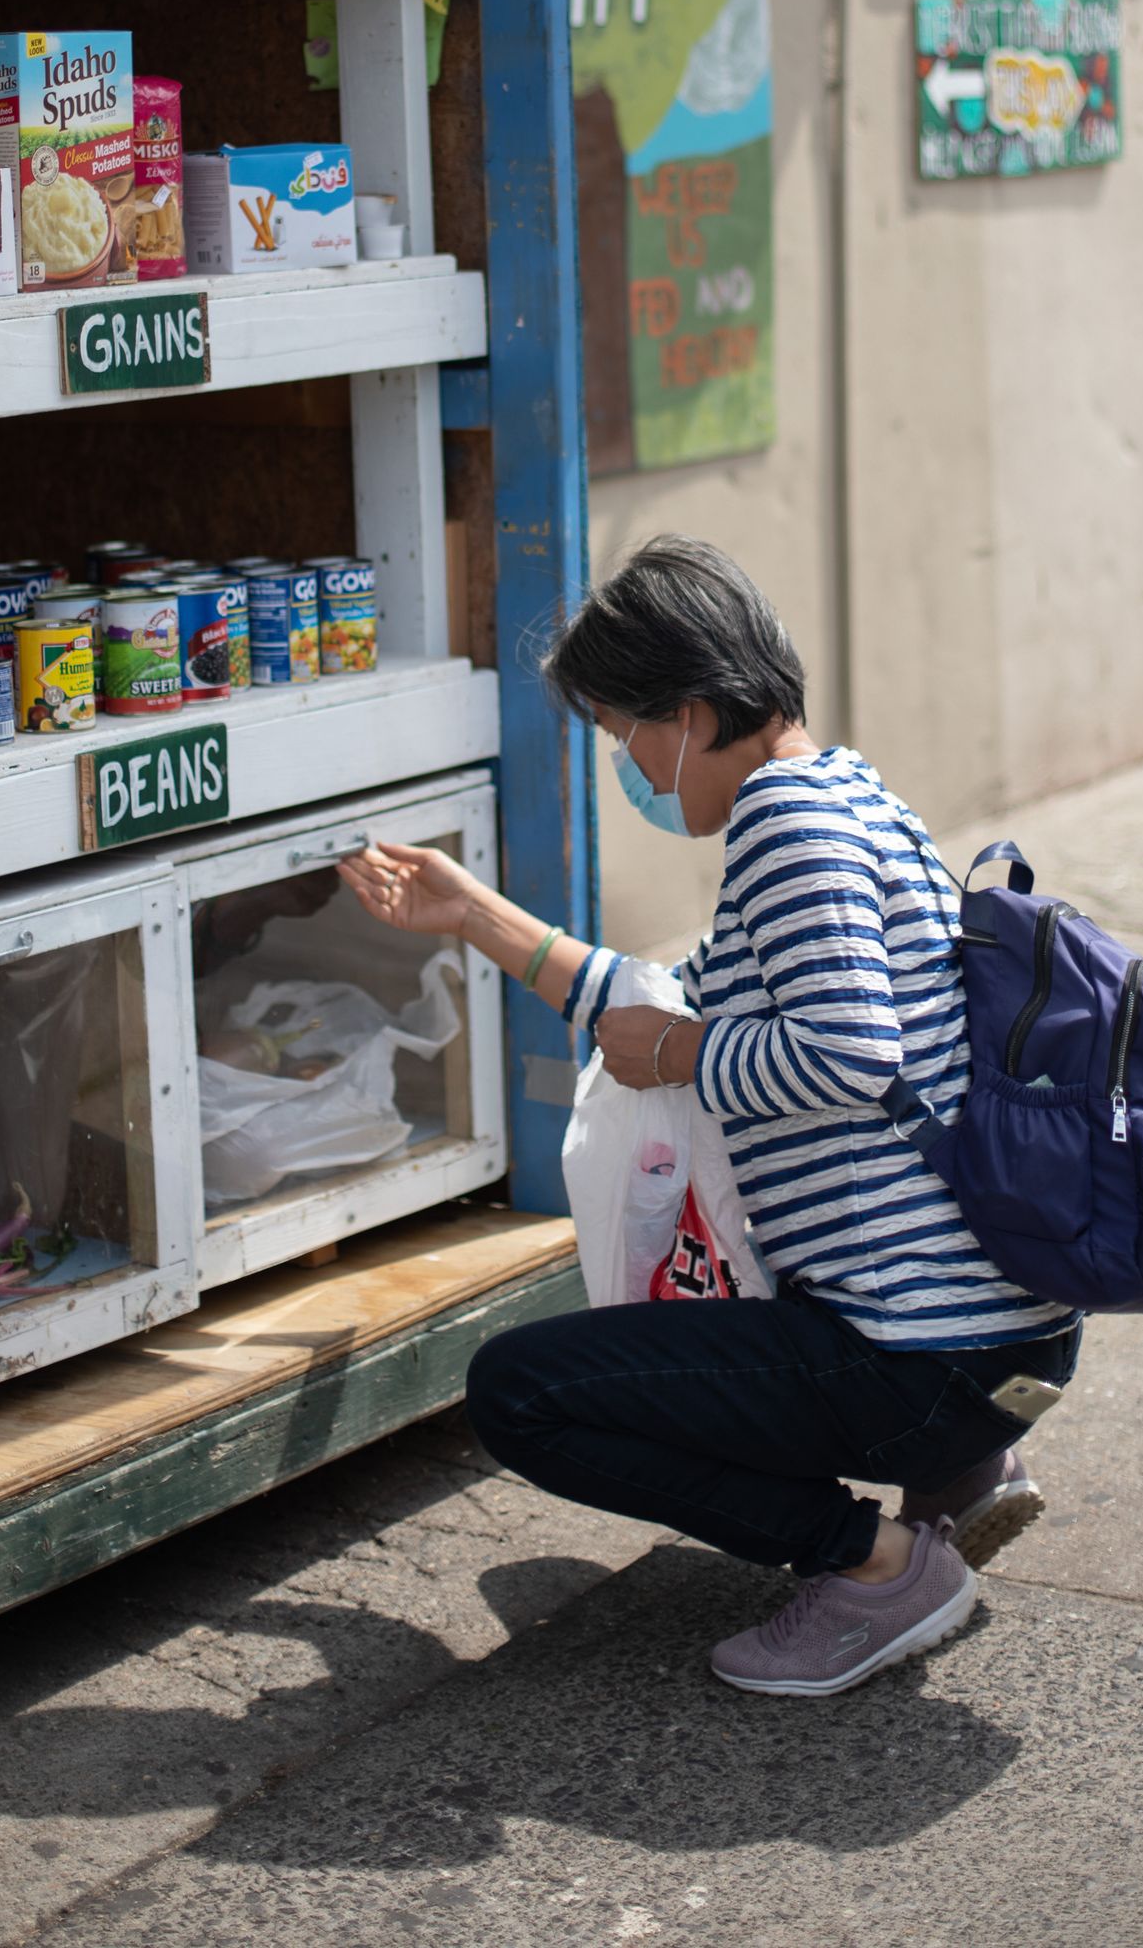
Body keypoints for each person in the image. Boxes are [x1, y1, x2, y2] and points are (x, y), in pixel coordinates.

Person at [335, 535, 1081, 1700]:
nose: (625, 766)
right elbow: (677, 1012)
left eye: (619, 734)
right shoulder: (847, 793)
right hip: (994, 1345)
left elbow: (838, 1053)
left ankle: (879, 1567)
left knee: (520, 1395)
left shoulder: (783, 825)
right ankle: (960, 1479)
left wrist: (684, 1051)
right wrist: (478, 916)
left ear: (683, 713)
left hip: (917, 1361)